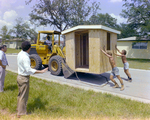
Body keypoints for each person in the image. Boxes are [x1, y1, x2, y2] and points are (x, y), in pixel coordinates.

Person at [17, 41, 48, 118]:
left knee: (20, 95)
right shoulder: (26, 57)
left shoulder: (20, 54)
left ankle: (19, 110)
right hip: (24, 78)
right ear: (29, 48)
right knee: (24, 96)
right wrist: (41, 71)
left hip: (19, 76)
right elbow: (28, 70)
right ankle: (21, 113)